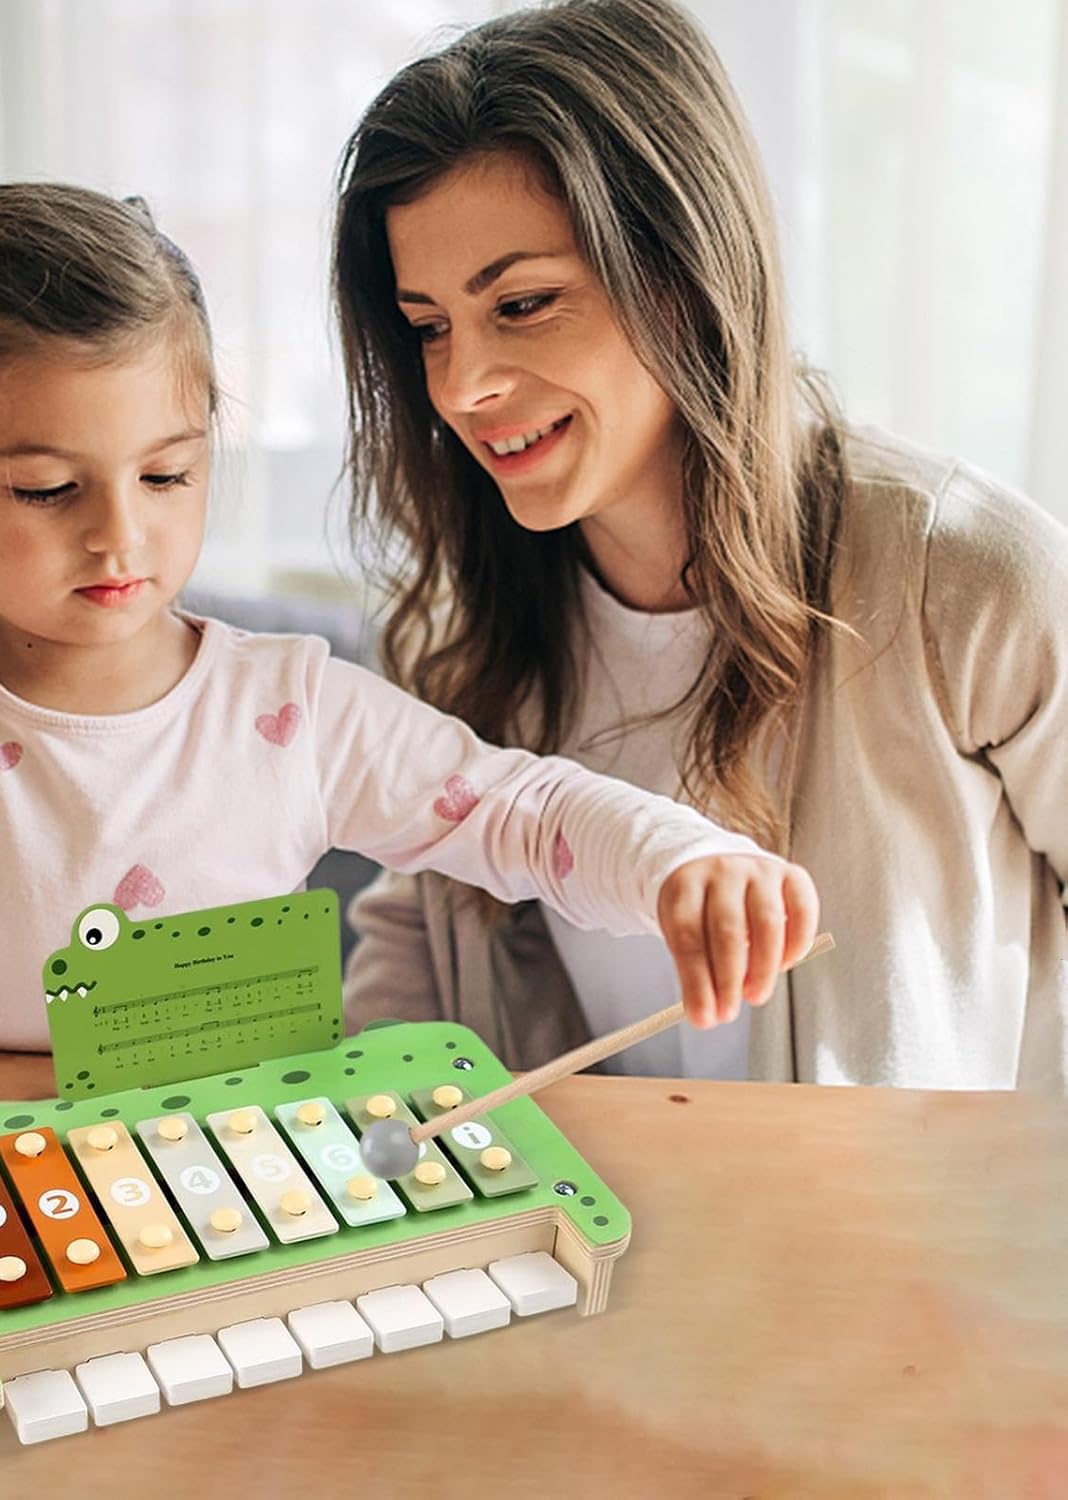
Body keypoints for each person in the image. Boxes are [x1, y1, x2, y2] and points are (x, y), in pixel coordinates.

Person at [0, 182, 816, 1076]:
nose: (121, 537)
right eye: (47, 490)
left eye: (167, 475)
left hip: (238, 1224)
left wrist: (677, 858)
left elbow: (523, 813)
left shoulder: (293, 706)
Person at [332, 0, 1068, 1091]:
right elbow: (419, 931)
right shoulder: (459, 636)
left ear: (684, 271)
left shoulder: (965, 578)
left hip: (908, 1208)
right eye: (429, 326)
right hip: (594, 1207)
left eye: (523, 304)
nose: (463, 385)